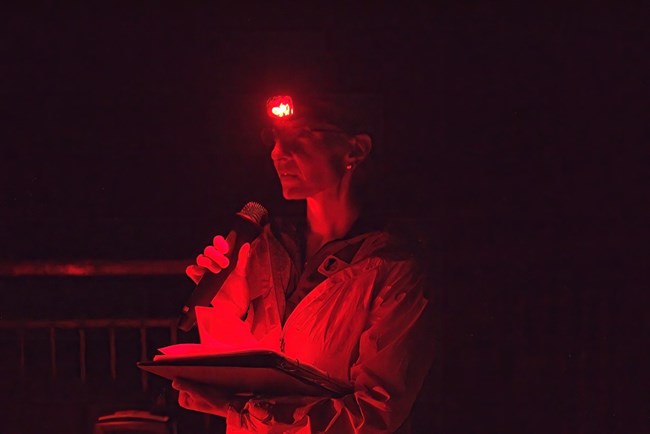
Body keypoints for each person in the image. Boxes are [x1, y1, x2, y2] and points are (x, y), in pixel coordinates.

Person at [171, 91, 434, 433]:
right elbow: (240, 366)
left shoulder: (393, 268)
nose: (279, 153)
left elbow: (375, 413)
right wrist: (223, 301)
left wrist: (239, 410)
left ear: (355, 150)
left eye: (301, 137)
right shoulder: (267, 247)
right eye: (276, 138)